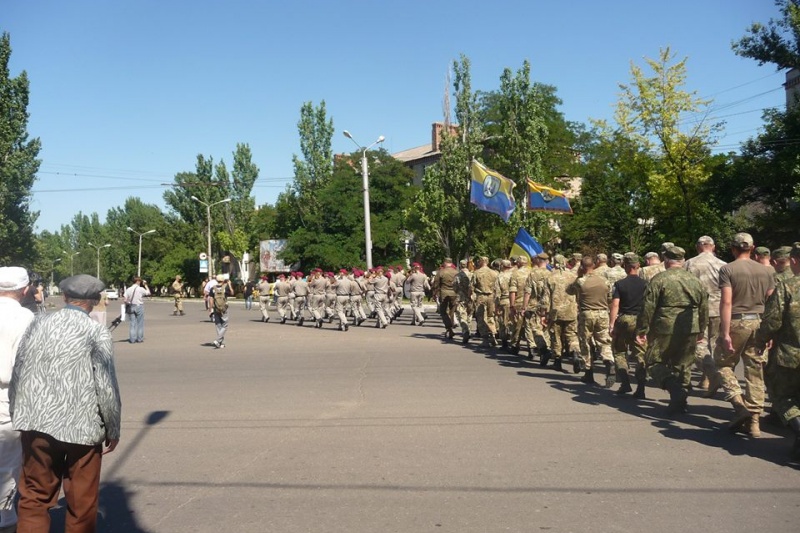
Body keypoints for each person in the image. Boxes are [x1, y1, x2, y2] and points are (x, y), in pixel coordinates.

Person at [10, 274, 121, 532]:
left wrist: (19, 411)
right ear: (93, 301)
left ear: (65, 297)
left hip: (37, 424)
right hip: (82, 430)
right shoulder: (96, 331)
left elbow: (19, 370)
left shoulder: (38, 324)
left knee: (34, 498)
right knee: (82, 503)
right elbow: (105, 386)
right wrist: (113, 428)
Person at [711, 232, 775, 437]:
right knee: (755, 369)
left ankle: (739, 406)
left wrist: (725, 332)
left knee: (722, 364)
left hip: (737, 320)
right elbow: (771, 302)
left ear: (733, 248)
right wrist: (770, 330)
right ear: (753, 247)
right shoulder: (767, 271)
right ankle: (754, 421)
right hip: (759, 321)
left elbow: (727, 301)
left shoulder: (728, 269)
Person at [636, 246, 708, 416]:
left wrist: (642, 329)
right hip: (691, 325)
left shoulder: (659, 279)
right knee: (683, 364)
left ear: (666, 260)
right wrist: (702, 329)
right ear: (682, 261)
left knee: (653, 361)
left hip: (665, 325)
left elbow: (648, 306)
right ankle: (681, 401)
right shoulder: (695, 280)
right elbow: (704, 306)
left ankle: (673, 388)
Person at [755, 242, 800, 458]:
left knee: (781, 396)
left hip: (790, 355)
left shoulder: (788, 286)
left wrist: (760, 341)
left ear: (794, 261)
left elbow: (772, 320)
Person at [0, 267, 35, 532]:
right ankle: (6, 522)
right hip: (8, 400)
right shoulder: (24, 317)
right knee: (8, 466)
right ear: (24, 291)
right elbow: (27, 367)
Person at [683, 235, 726, 391]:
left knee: (698, 344)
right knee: (714, 344)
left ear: (698, 246)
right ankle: (707, 379)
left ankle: (709, 375)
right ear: (713, 247)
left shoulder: (689, 263)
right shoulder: (723, 265)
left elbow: (684, 287)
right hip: (718, 308)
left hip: (696, 309)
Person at [567, 256, 614, 386]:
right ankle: (609, 361)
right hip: (603, 313)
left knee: (585, 342)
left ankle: (588, 372)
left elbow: (569, 290)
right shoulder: (604, 281)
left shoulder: (580, 281)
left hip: (586, 313)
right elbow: (610, 297)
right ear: (593, 265)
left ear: (582, 266)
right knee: (604, 340)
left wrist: (578, 275)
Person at [609, 253, 648, 397]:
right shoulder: (646, 284)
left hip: (624, 320)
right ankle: (641, 387)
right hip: (640, 320)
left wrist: (612, 324)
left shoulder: (620, 284)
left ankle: (625, 383)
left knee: (619, 351)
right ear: (638, 266)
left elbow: (615, 305)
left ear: (625, 266)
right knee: (641, 355)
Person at [543, 255, 579, 372]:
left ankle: (557, 361)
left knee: (556, 336)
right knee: (572, 334)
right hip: (571, 311)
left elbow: (546, 298)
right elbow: (579, 294)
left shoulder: (550, 277)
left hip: (556, 312)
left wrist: (544, 313)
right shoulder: (573, 276)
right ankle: (575, 353)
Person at [472, 256, 498, 348]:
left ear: (480, 262)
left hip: (481, 296)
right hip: (491, 296)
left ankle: (485, 338)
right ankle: (493, 333)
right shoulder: (494, 273)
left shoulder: (477, 273)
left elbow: (471, 286)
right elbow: (497, 286)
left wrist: (470, 296)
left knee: (481, 317)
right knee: (491, 316)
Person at [432, 258, 458, 339]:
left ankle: (449, 327)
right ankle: (452, 325)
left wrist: (434, 293)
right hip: (454, 293)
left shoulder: (441, 272)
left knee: (443, 311)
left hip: (444, 293)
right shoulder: (456, 272)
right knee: (452, 311)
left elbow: (436, 284)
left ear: (445, 262)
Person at [123, 276, 150, 343]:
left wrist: (129, 303)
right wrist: (146, 285)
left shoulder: (129, 289)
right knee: (140, 323)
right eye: (140, 281)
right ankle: (139, 339)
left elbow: (125, 299)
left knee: (132, 324)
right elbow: (148, 293)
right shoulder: (140, 289)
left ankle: (132, 339)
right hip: (139, 306)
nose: (140, 283)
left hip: (131, 306)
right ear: (138, 281)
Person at [210, 275, 234, 349]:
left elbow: (211, 299)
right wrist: (229, 284)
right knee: (225, 325)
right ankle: (218, 340)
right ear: (223, 281)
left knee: (218, 325)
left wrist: (211, 308)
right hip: (224, 308)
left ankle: (219, 343)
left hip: (216, 308)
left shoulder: (213, 288)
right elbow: (232, 293)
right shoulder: (225, 287)